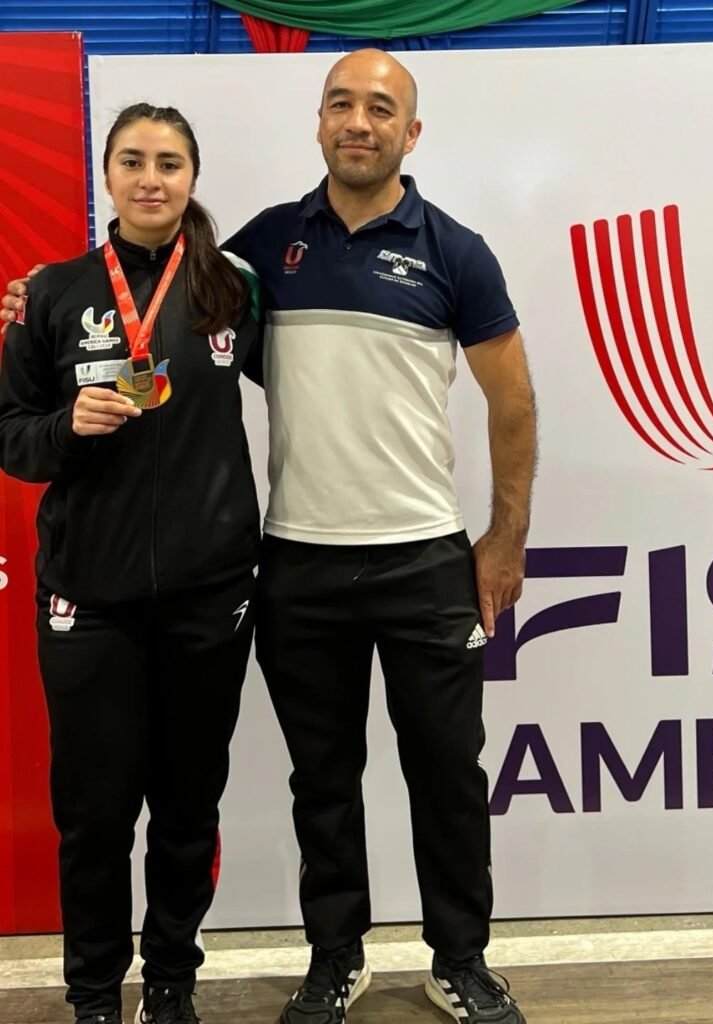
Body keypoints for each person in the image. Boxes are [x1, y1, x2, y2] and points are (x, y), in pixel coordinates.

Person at [3, 49, 538, 1024]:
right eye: (341, 103)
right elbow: (122, 317)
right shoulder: (263, 250)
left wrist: (506, 538)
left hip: (418, 552)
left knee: (447, 776)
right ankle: (331, 961)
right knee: (318, 782)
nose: (359, 121)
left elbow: (514, 399)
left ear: (411, 132)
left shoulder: (444, 253)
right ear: (320, 122)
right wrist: (41, 301)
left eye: (381, 108)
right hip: (293, 557)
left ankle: (459, 961)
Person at [0, 104, 263, 1024]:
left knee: (188, 811)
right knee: (95, 817)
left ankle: (171, 985)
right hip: (90, 600)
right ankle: (93, 997)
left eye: (170, 162)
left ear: (193, 176)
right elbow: (11, 435)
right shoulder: (53, 294)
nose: (152, 179)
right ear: (106, 174)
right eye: (133, 161)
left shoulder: (234, 288)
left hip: (209, 596)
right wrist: (64, 428)